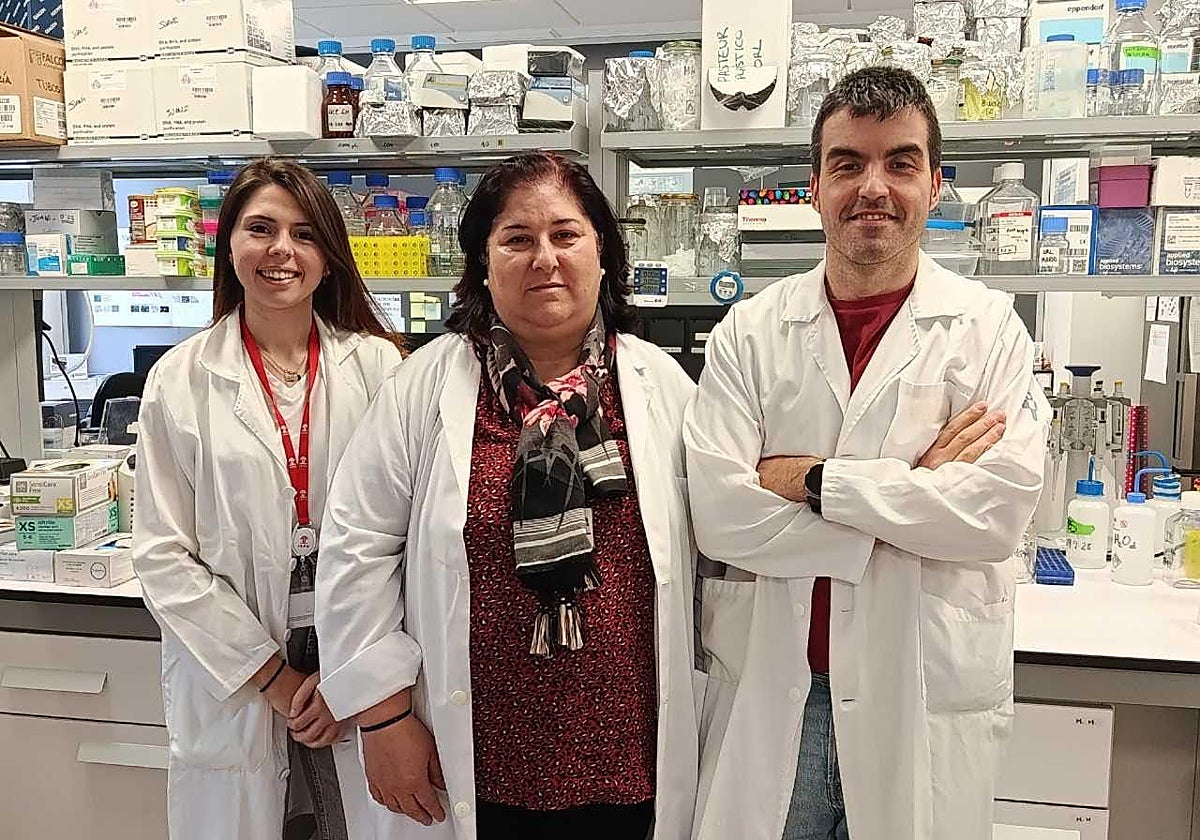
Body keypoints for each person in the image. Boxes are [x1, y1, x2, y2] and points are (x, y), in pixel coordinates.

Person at [685, 67, 1050, 840]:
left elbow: (994, 517)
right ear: (816, 187)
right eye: (848, 164)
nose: (873, 187)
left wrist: (815, 481)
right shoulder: (749, 334)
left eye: (900, 162)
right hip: (778, 691)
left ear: (936, 184)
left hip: (921, 691)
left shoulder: (991, 331)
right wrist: (915, 495)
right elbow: (720, 516)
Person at [314, 151, 700, 840]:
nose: (544, 258)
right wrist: (383, 716)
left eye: (565, 235)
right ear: (483, 266)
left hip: (630, 756)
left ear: (603, 255)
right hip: (469, 759)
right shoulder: (423, 387)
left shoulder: (661, 386)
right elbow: (356, 548)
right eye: (517, 239)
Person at [132, 158, 405, 840]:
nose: (282, 249)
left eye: (305, 234)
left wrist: (356, 681)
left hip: (357, 666)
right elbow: (163, 557)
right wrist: (277, 680)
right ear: (229, 244)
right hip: (244, 678)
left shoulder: (379, 367)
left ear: (328, 257)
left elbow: (407, 537)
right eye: (261, 229)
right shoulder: (180, 380)